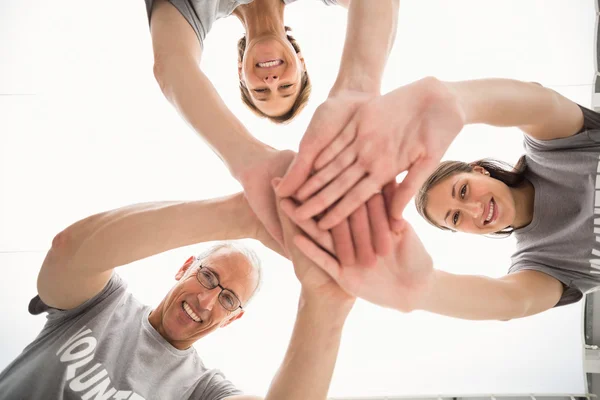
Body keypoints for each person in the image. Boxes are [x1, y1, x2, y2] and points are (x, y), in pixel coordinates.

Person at [278, 77, 600, 321]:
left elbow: (541, 105)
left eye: (462, 191)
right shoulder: (540, 264)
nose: (474, 208)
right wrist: (422, 290)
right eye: (456, 218)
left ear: (479, 171)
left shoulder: (555, 148)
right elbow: (513, 300)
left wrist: (456, 102)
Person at [0, 191, 355, 399]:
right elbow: (68, 251)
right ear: (185, 266)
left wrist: (327, 302)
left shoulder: (201, 389)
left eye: (228, 299)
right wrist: (244, 215)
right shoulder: (104, 302)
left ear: (234, 318)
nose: (206, 301)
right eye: (207, 277)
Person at [147, 0, 399, 250]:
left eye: (260, 91)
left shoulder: (196, 11)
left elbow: (172, 65)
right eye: (287, 87)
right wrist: (355, 91)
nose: (271, 81)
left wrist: (249, 161)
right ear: (301, 61)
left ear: (240, 73)